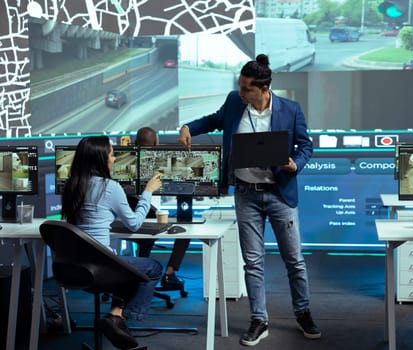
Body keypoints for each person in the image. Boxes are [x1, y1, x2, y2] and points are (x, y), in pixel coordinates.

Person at [178, 54, 320, 346]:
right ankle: (259, 319)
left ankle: (303, 312)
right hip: (246, 195)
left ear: (264, 89)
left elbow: (306, 145)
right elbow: (213, 120)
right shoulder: (234, 102)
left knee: (294, 260)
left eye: (247, 89)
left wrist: (295, 164)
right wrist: (187, 128)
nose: (240, 93)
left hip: (280, 194)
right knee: (252, 262)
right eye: (240, 87)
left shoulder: (290, 110)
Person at [61, 135, 163, 349]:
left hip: (73, 268)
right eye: (111, 154)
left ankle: (115, 316)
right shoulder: (110, 187)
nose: (114, 159)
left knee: (127, 267)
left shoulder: (71, 186)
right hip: (101, 268)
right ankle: (120, 318)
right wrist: (148, 192)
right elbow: (134, 224)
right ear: (100, 159)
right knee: (152, 267)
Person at [133, 126, 190, 291]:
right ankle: (169, 274)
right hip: (152, 215)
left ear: (136, 142)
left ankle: (138, 274)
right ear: (156, 143)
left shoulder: (125, 159)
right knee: (185, 228)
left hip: (127, 216)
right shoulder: (163, 159)